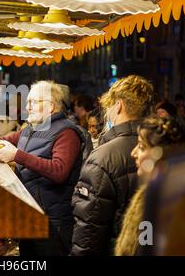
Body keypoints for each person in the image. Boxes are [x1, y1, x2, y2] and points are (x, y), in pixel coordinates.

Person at [0, 81, 84, 256]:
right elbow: (5, 141)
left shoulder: (67, 133)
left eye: (33, 102)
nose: (27, 106)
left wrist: (17, 155)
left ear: (50, 106)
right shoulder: (30, 129)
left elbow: (59, 171)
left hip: (53, 224)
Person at [71, 75, 154, 256]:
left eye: (108, 106)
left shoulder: (102, 157)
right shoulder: (160, 148)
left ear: (118, 106)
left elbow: (89, 227)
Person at [114, 116, 184, 255]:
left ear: (160, 154)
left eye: (141, 147)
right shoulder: (152, 194)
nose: (133, 153)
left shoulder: (159, 203)